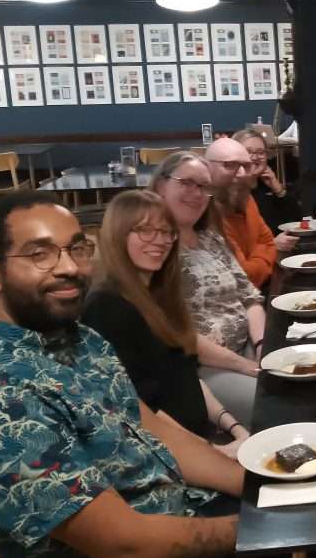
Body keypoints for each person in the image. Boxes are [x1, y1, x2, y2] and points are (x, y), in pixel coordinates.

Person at [0, 191, 252, 558]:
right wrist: (256, 529)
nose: (69, 267)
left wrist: (257, 486)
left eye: (76, 248)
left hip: (178, 531)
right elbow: (126, 548)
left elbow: (152, 430)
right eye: (41, 254)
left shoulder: (79, 340)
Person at [82, 190, 250, 458]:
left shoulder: (158, 296)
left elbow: (185, 378)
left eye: (166, 232)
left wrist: (235, 428)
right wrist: (213, 452)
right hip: (167, 456)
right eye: (145, 230)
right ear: (117, 236)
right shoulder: (106, 307)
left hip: (201, 437)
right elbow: (141, 411)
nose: (159, 241)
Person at [151, 151, 264, 429]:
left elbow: (249, 297)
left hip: (247, 350)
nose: (196, 193)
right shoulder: (155, 247)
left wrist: (262, 346)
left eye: (203, 186)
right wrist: (244, 365)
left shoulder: (210, 238)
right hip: (203, 368)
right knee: (274, 404)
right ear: (160, 186)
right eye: (187, 183)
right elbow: (175, 333)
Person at [204, 137, 277, 289]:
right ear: (207, 168)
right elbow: (245, 276)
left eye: (246, 166)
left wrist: (255, 256)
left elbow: (269, 243)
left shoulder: (246, 199)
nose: (242, 173)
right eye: (230, 165)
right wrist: (262, 252)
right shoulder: (206, 213)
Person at [233, 127, 301, 254]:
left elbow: (296, 219)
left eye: (260, 152)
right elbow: (237, 248)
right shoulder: (231, 194)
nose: (254, 157)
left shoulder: (267, 186)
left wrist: (278, 189)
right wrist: (272, 244)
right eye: (248, 152)